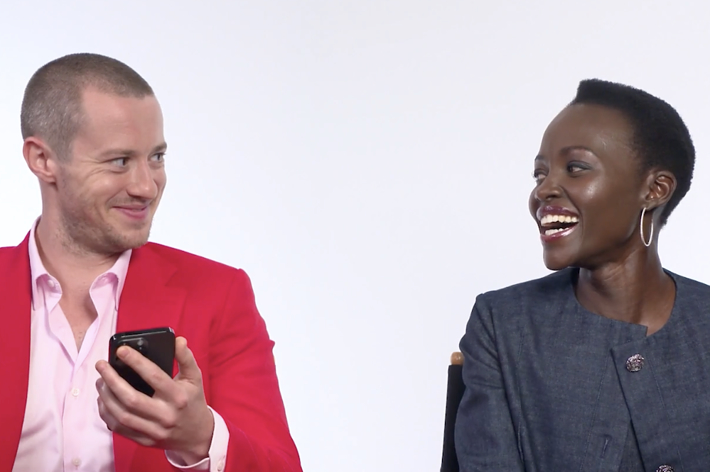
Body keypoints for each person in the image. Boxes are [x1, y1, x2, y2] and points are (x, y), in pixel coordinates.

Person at [0, 53, 302, 472]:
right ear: (43, 160)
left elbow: (281, 466)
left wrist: (201, 438)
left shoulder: (219, 295)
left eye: (156, 158)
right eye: (119, 161)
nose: (147, 186)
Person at [454, 79, 709, 472]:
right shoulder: (503, 326)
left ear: (655, 189)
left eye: (575, 168)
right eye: (540, 174)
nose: (544, 191)